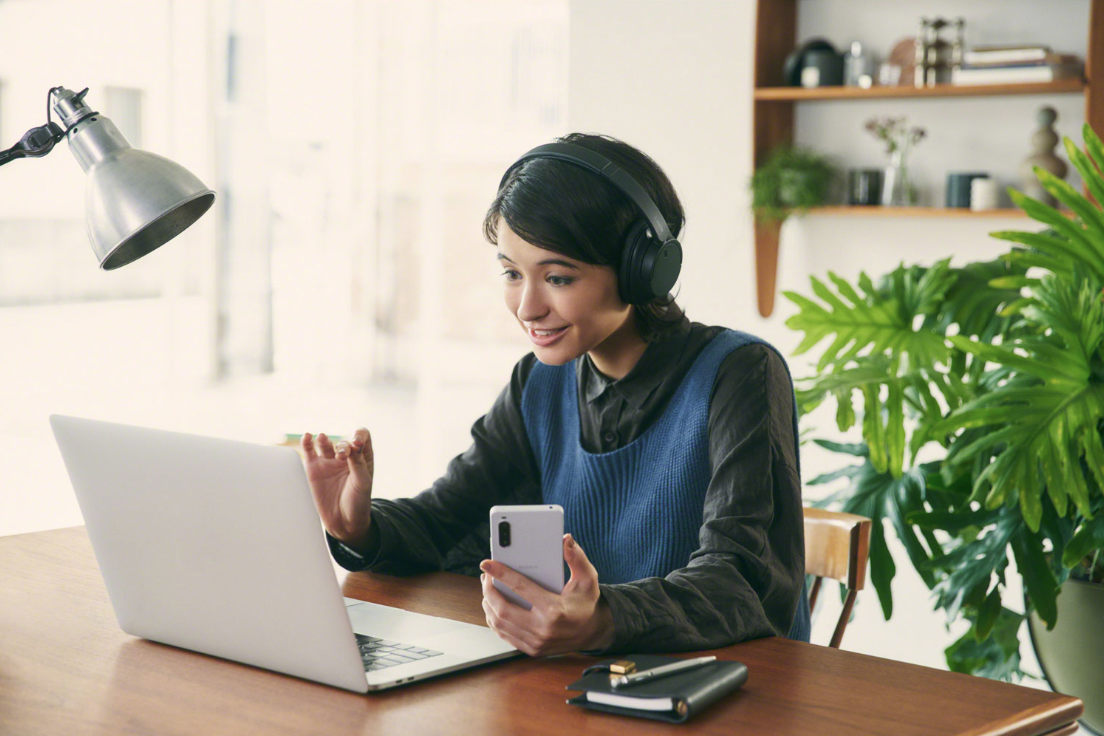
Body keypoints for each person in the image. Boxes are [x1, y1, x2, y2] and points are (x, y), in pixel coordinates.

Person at [300, 132, 811, 657]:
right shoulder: (539, 383)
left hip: (726, 692)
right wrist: (360, 527)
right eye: (511, 273)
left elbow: (746, 582)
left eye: (559, 278)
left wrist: (602, 620)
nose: (527, 307)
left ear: (644, 271)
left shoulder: (740, 373)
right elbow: (448, 521)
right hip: (584, 685)